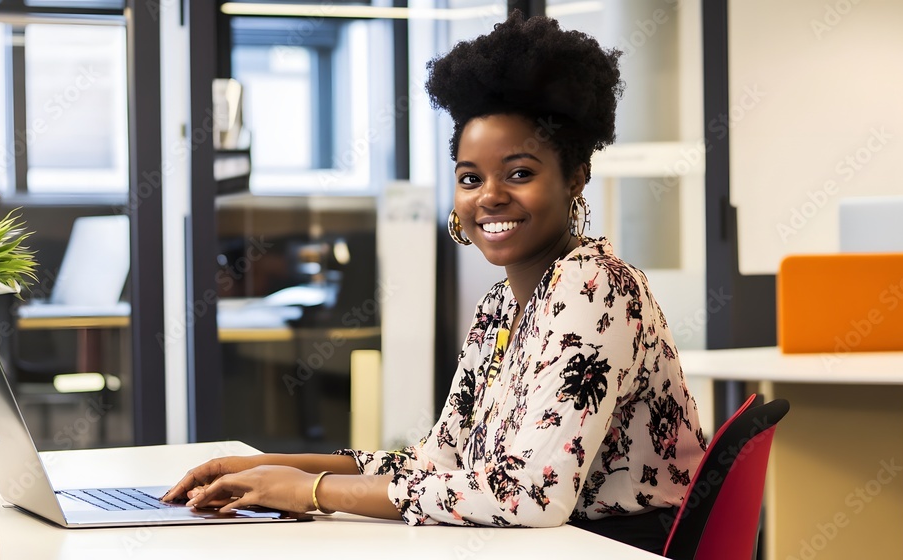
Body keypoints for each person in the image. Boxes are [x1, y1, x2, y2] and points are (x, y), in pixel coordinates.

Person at [163, 11, 705, 553]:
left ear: (575, 177)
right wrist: (269, 467)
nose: (489, 196)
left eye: (519, 173)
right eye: (471, 178)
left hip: (622, 547)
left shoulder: (596, 289)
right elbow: (437, 461)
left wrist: (313, 492)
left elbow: (528, 498)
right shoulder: (501, 304)